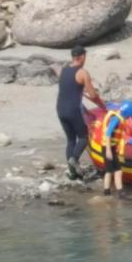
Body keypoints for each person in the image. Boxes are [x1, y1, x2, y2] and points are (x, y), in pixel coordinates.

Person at [56, 45, 104, 179]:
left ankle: (72, 173)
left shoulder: (63, 70)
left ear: (73, 57)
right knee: (84, 137)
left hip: (60, 109)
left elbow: (69, 88)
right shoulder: (82, 72)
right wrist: (102, 105)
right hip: (73, 110)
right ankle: (75, 159)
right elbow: (93, 95)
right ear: (82, 57)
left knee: (71, 140)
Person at [102, 100, 132, 198]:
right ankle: (115, 192)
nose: (128, 118)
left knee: (113, 170)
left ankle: (111, 192)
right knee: (114, 171)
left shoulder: (118, 116)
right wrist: (109, 150)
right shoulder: (116, 119)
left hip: (110, 147)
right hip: (108, 147)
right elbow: (108, 133)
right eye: (128, 116)